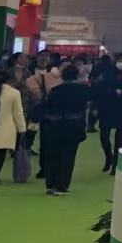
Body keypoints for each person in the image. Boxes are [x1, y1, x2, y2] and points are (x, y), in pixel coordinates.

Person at [40, 64, 91, 196]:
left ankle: (50, 184)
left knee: (53, 155)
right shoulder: (83, 90)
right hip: (73, 126)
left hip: (55, 126)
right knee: (68, 156)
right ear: (77, 76)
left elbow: (47, 107)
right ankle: (62, 186)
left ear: (62, 77)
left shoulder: (55, 90)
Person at [94, 53, 122, 174]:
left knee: (119, 139)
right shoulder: (107, 75)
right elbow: (98, 92)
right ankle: (109, 157)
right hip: (107, 109)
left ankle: (115, 163)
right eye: (120, 60)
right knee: (104, 137)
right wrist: (96, 107)